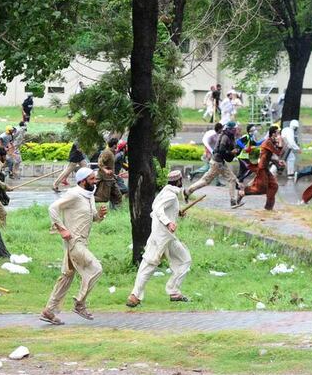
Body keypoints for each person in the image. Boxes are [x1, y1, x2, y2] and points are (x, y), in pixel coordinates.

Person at [40, 167, 107, 325]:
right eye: (92, 179)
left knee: (66, 277)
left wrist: (100, 216)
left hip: (82, 242)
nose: (95, 181)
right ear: (82, 181)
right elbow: (53, 208)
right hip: (74, 242)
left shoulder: (89, 195)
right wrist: (62, 229)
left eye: (95, 178)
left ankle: (49, 311)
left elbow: (92, 217)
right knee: (96, 268)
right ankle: (79, 303)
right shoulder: (74, 194)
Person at [127, 170, 192, 307]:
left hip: (166, 237)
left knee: (184, 260)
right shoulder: (170, 196)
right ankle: (135, 296)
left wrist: (176, 214)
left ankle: (174, 291)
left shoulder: (165, 193)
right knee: (150, 264)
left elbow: (158, 209)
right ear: (179, 181)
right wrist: (168, 222)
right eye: (181, 179)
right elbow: (157, 209)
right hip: (162, 237)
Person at [185, 121, 242, 208]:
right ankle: (233, 202)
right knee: (231, 179)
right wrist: (231, 152)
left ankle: (187, 192)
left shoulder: (229, 136)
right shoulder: (225, 137)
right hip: (217, 163)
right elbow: (221, 151)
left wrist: (236, 151)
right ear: (230, 129)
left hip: (218, 162)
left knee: (206, 181)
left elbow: (229, 152)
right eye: (234, 129)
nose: (236, 130)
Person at [237, 126, 284, 210]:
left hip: (265, 168)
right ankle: (242, 192)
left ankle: (268, 208)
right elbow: (278, 153)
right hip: (261, 168)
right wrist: (280, 142)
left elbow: (268, 156)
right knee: (260, 189)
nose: (279, 135)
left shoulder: (271, 142)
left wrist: (277, 162)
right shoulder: (268, 142)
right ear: (273, 134)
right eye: (278, 133)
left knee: (274, 186)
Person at [95, 138, 123, 207]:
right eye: (117, 144)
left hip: (111, 179)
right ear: (114, 145)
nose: (118, 145)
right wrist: (105, 170)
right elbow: (100, 163)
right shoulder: (107, 152)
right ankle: (87, 200)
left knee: (118, 196)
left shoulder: (112, 152)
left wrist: (114, 175)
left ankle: (116, 211)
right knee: (104, 198)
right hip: (105, 179)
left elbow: (109, 166)